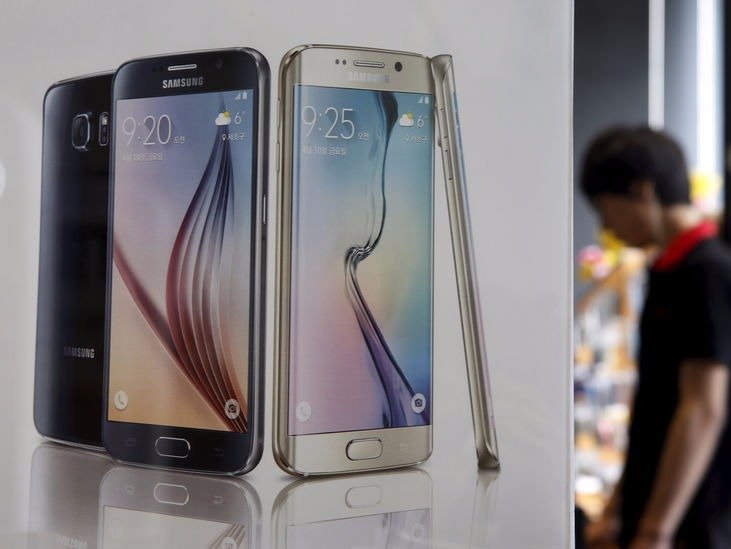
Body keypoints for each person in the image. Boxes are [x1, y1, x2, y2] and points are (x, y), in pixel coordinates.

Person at [580, 127, 731, 549]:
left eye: (605, 207)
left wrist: (655, 531)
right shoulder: (665, 270)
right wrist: (617, 509)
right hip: (658, 513)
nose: (606, 225)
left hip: (693, 521)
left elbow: (703, 408)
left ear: (641, 191)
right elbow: (655, 409)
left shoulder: (707, 270)